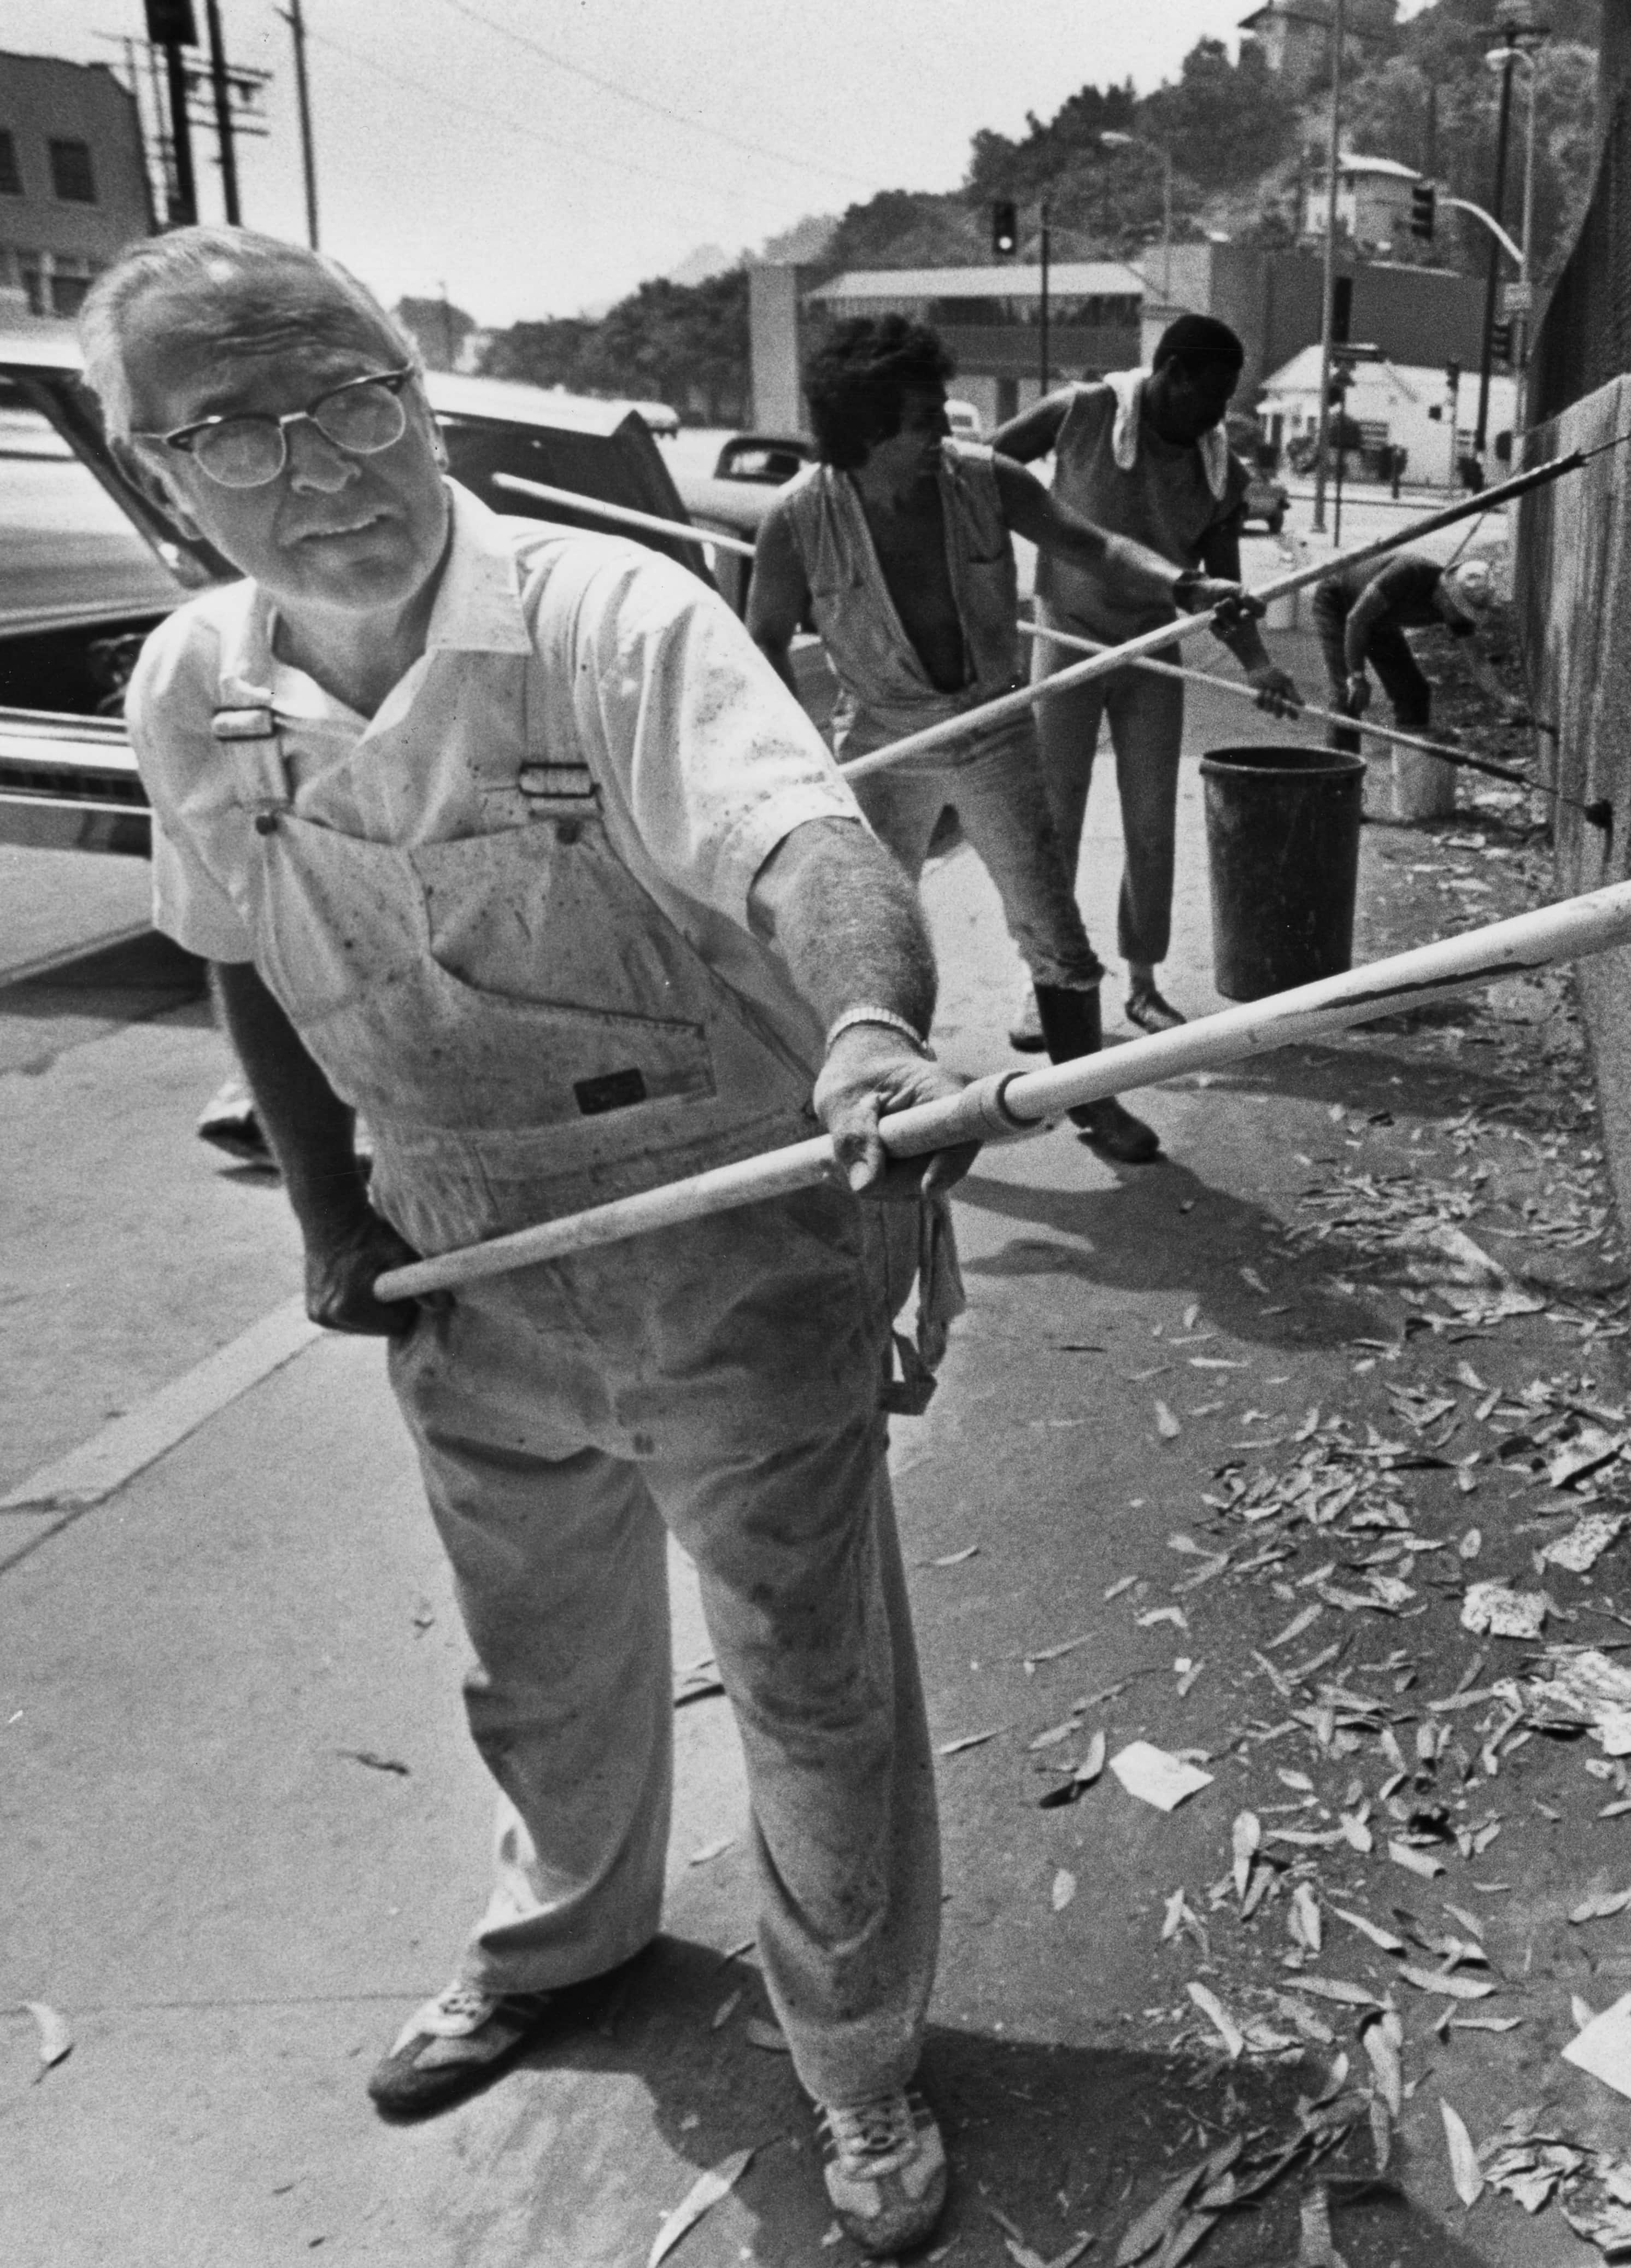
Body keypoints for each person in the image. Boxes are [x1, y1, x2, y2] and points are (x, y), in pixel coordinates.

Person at [86, 228, 974, 2257]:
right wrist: (329, 1214)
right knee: (539, 1665)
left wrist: (863, 1028)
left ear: (425, 401)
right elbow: (234, 954)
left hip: (728, 1238)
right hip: (461, 1253)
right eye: (242, 423)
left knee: (809, 1691)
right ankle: (562, 1943)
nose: (320, 456)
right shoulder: (190, 690)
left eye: (355, 396)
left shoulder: (607, 618)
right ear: (158, 479)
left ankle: (858, 2059)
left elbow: (806, 843)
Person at [747, 315, 1221, 1165]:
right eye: (926, 416)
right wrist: (805, 759)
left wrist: (1183, 582)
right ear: (868, 429)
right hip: (881, 743)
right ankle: (853, 1099)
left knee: (1053, 931)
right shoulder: (796, 521)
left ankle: (1086, 1101)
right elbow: (765, 640)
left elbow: (1094, 543)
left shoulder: (984, 481)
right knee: (860, 935)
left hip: (992, 726)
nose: (946, 429)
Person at [991, 315, 1297, 1042]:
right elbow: (983, 470)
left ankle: (1143, 982)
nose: (1219, 414)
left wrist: (1259, 663)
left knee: (1150, 821)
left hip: (1154, 650)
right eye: (1213, 394)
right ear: (1173, 373)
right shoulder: (1083, 412)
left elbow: (1225, 586)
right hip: (1067, 638)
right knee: (1055, 819)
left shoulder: (1221, 471)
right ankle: (1048, 983)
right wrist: (983, 584)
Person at [1313, 551, 1522, 756]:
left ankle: (1410, 765)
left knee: (1413, 692)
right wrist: (1357, 676)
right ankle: (1340, 776)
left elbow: (1477, 661)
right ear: (1447, 588)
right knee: (1347, 695)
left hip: (1380, 619)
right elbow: (1356, 620)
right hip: (1339, 601)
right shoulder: (1408, 573)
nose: (1456, 615)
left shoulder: (1454, 613)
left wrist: (1505, 698)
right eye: (1456, 606)